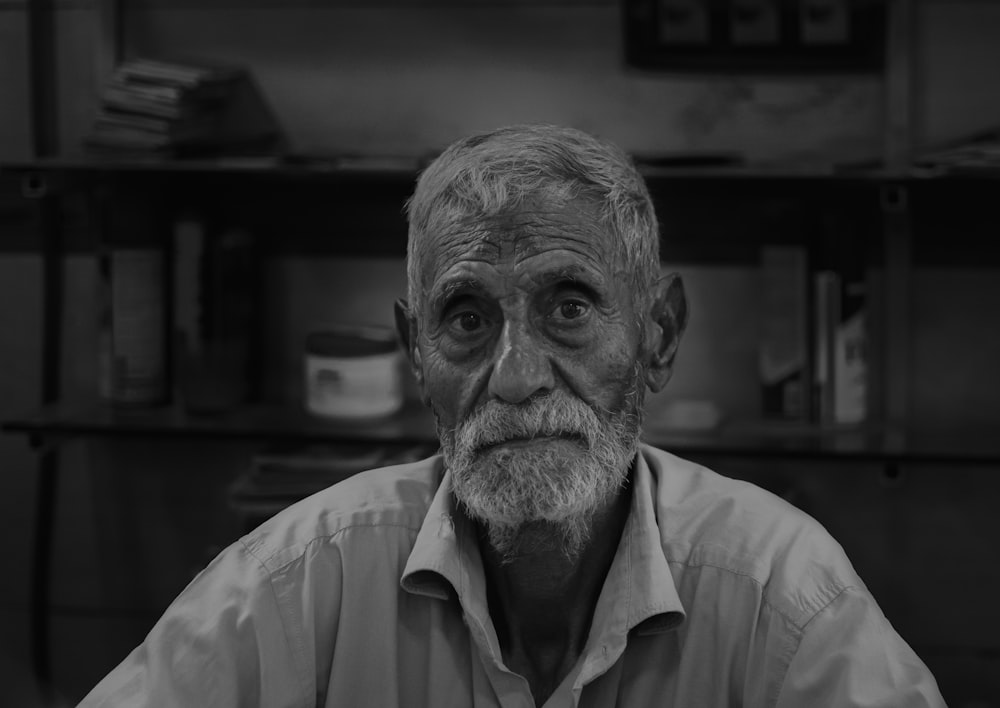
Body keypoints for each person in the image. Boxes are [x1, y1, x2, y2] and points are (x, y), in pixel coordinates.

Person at [79, 124, 945, 708]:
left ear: (658, 334)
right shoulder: (302, 582)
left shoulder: (780, 595)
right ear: (416, 351)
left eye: (569, 308)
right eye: (467, 319)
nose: (517, 378)